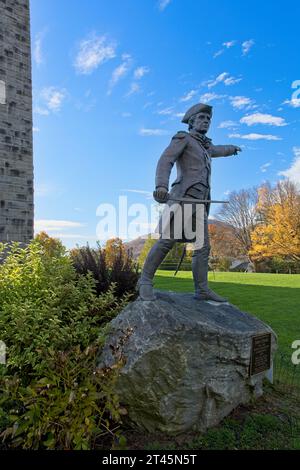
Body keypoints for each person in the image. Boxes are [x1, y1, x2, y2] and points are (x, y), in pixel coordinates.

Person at [138, 103, 242, 301]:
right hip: (183, 198)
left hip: (200, 204)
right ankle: (144, 281)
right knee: (167, 241)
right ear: (192, 121)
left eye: (208, 119)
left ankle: (202, 290)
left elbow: (218, 150)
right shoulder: (183, 138)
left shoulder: (205, 146)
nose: (206, 121)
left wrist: (232, 149)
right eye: (202, 118)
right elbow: (165, 160)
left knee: (202, 248)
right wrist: (161, 186)